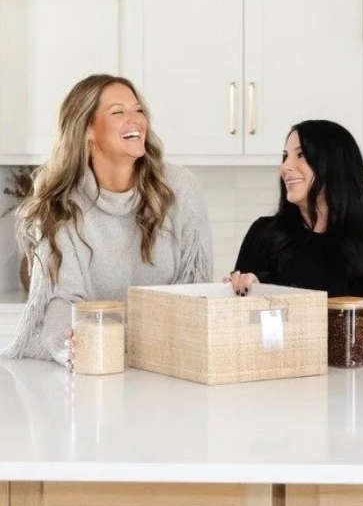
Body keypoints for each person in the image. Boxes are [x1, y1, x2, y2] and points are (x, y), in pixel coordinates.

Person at [2, 75, 213, 367]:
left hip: (167, 361)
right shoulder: (62, 206)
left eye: (138, 110)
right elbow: (61, 301)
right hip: (96, 364)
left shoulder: (179, 188)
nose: (136, 119)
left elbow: (195, 288)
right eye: (118, 112)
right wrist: (70, 346)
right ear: (87, 129)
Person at [225, 120, 363, 351]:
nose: (285, 167)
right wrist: (244, 295)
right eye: (285, 157)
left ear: (334, 165)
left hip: (352, 374)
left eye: (300, 155)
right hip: (276, 372)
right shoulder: (263, 234)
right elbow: (240, 329)